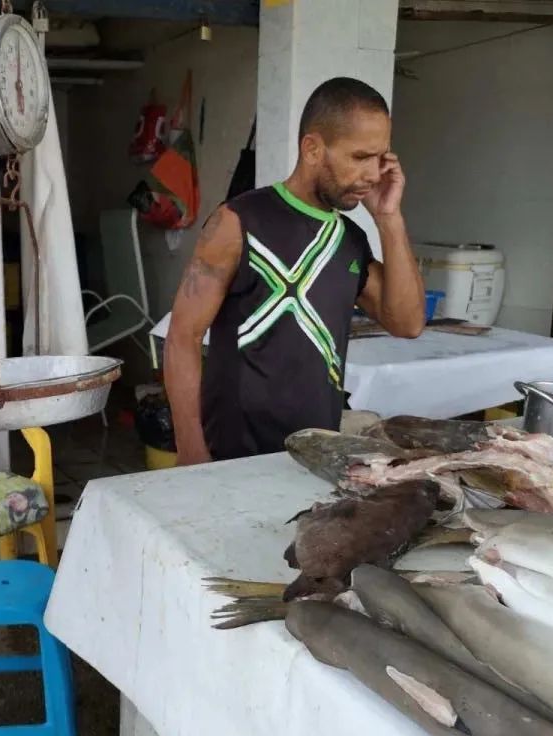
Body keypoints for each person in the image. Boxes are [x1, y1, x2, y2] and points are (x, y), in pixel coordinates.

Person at [164, 76, 425, 465]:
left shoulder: (349, 238)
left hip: (316, 453)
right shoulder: (238, 221)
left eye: (380, 158)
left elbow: (407, 323)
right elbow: (182, 338)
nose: (373, 175)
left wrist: (389, 218)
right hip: (234, 455)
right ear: (313, 149)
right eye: (359, 157)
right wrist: (191, 450)